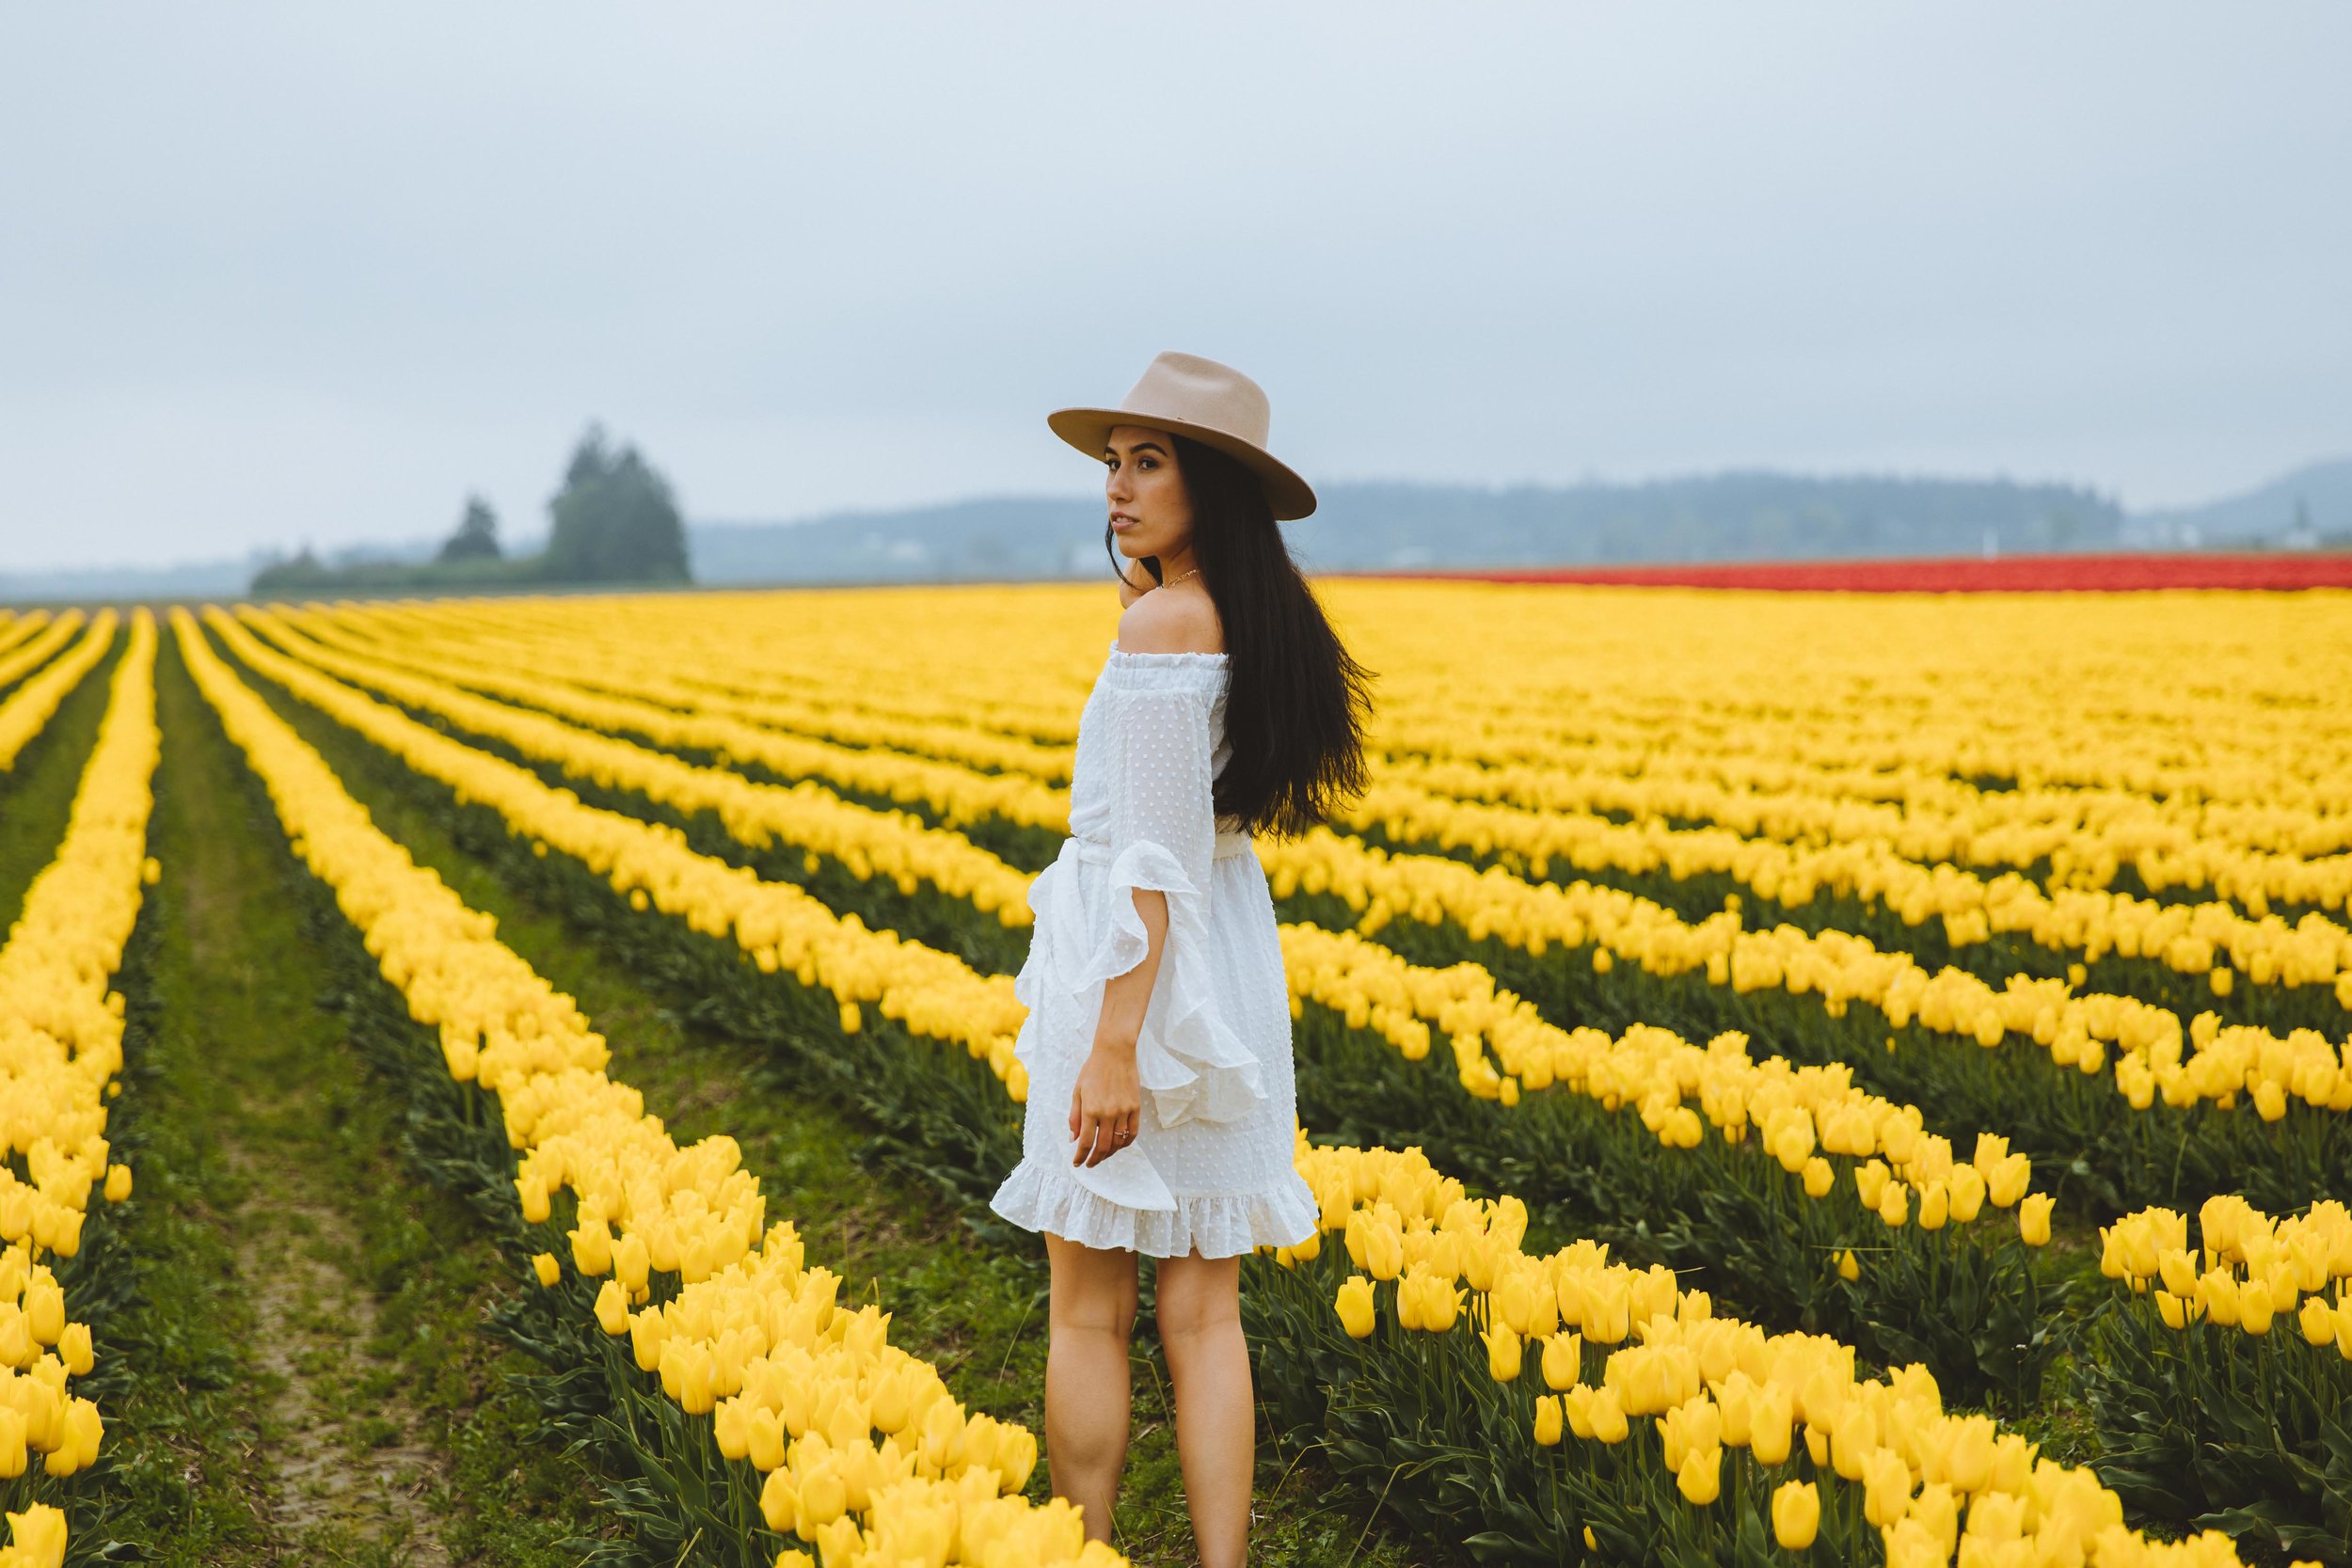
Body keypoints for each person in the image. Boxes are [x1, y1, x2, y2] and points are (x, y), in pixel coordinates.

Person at [988, 351, 1375, 1566]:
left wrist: (1111, 1048)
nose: (1118, 486)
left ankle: (1089, 1552)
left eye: (1148, 463)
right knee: (1207, 1319)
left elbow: (1145, 859)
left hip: (1135, 980)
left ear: (1211, 482)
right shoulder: (1248, 622)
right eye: (1114, 463)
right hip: (1226, 970)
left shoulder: (1163, 620)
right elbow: (1188, 842)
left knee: (1089, 1312)